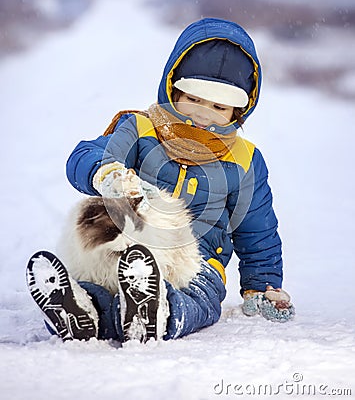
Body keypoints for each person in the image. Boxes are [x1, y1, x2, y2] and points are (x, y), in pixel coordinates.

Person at [26, 17, 295, 344]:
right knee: (101, 283)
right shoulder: (141, 129)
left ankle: (158, 309)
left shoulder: (244, 160)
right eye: (193, 98)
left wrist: (263, 284)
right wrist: (105, 172)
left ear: (237, 112)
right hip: (128, 252)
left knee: (201, 299)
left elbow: (258, 230)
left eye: (218, 106)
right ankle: (79, 309)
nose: (203, 113)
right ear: (173, 88)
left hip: (197, 267)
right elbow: (85, 155)